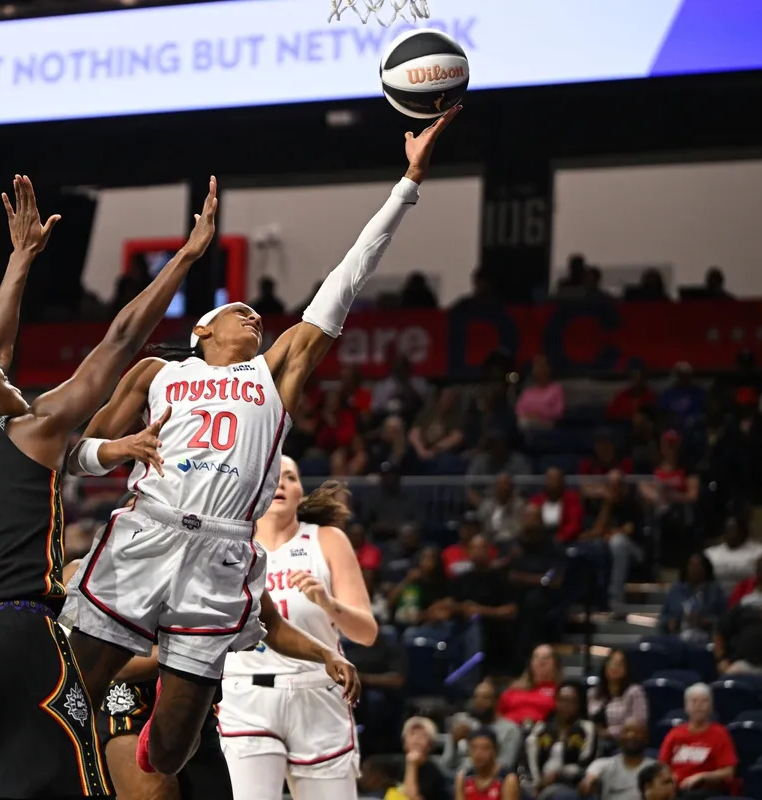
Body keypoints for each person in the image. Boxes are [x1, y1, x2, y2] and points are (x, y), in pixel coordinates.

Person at [62, 107, 462, 777]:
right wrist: (118, 449)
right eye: (234, 311)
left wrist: (408, 184)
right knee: (76, 687)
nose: (252, 314)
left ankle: (133, 752)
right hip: (149, 529)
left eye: (256, 313)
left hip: (222, 551)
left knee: (174, 743)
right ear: (202, 333)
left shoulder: (272, 372)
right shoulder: (159, 372)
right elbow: (74, 453)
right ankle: (46, 774)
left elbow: (345, 281)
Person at [0, 176, 223, 800]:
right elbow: (121, 339)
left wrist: (20, 260)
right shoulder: (31, 428)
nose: (14, 373)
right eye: (3, 378)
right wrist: (185, 256)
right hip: (14, 633)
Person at [64, 550, 355, 800]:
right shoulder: (96, 568)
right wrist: (206, 644)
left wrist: (326, 654)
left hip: (195, 705)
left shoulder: (229, 557)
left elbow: (272, 624)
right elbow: (118, 667)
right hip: (127, 705)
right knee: (157, 793)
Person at [219, 460, 377, 800]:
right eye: (272, 477)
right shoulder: (229, 540)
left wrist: (328, 602)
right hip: (246, 695)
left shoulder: (328, 540)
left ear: (299, 492)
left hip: (319, 690)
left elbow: (367, 633)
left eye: (289, 477)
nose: (280, 484)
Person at [657, 683, 736, 799]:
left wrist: (701, 776)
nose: (699, 706)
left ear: (711, 706)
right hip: (676, 788)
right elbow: (662, 766)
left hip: (705, 790)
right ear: (686, 707)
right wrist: (670, 780)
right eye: (694, 701)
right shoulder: (675, 734)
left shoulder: (720, 734)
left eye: (704, 701)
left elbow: (728, 772)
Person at [579, 719, 654, 800]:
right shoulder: (602, 764)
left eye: (638, 732)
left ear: (646, 738)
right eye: (626, 731)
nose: (631, 735)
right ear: (619, 737)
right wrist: (588, 783)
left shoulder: (655, 769)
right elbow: (590, 779)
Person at [384, 717, 447, 800]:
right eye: (412, 734)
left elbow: (411, 797)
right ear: (404, 742)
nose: (416, 739)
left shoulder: (434, 774)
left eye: (423, 735)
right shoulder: (393, 766)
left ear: (429, 745)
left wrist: (412, 765)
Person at [455, 729, 520, 800]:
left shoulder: (508, 780)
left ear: (495, 750)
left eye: (485, 748)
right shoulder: (463, 778)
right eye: (474, 748)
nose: (478, 753)